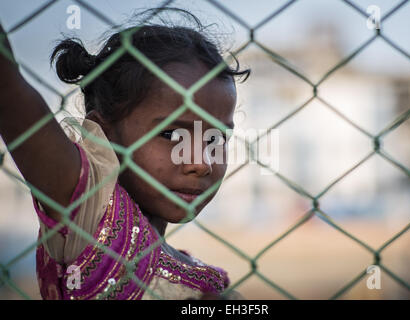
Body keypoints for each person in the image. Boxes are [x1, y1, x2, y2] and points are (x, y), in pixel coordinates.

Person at [0, 7, 250, 300]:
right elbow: (10, 95)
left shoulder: (203, 280)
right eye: (171, 135)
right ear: (105, 135)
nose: (200, 163)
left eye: (215, 138)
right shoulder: (91, 211)